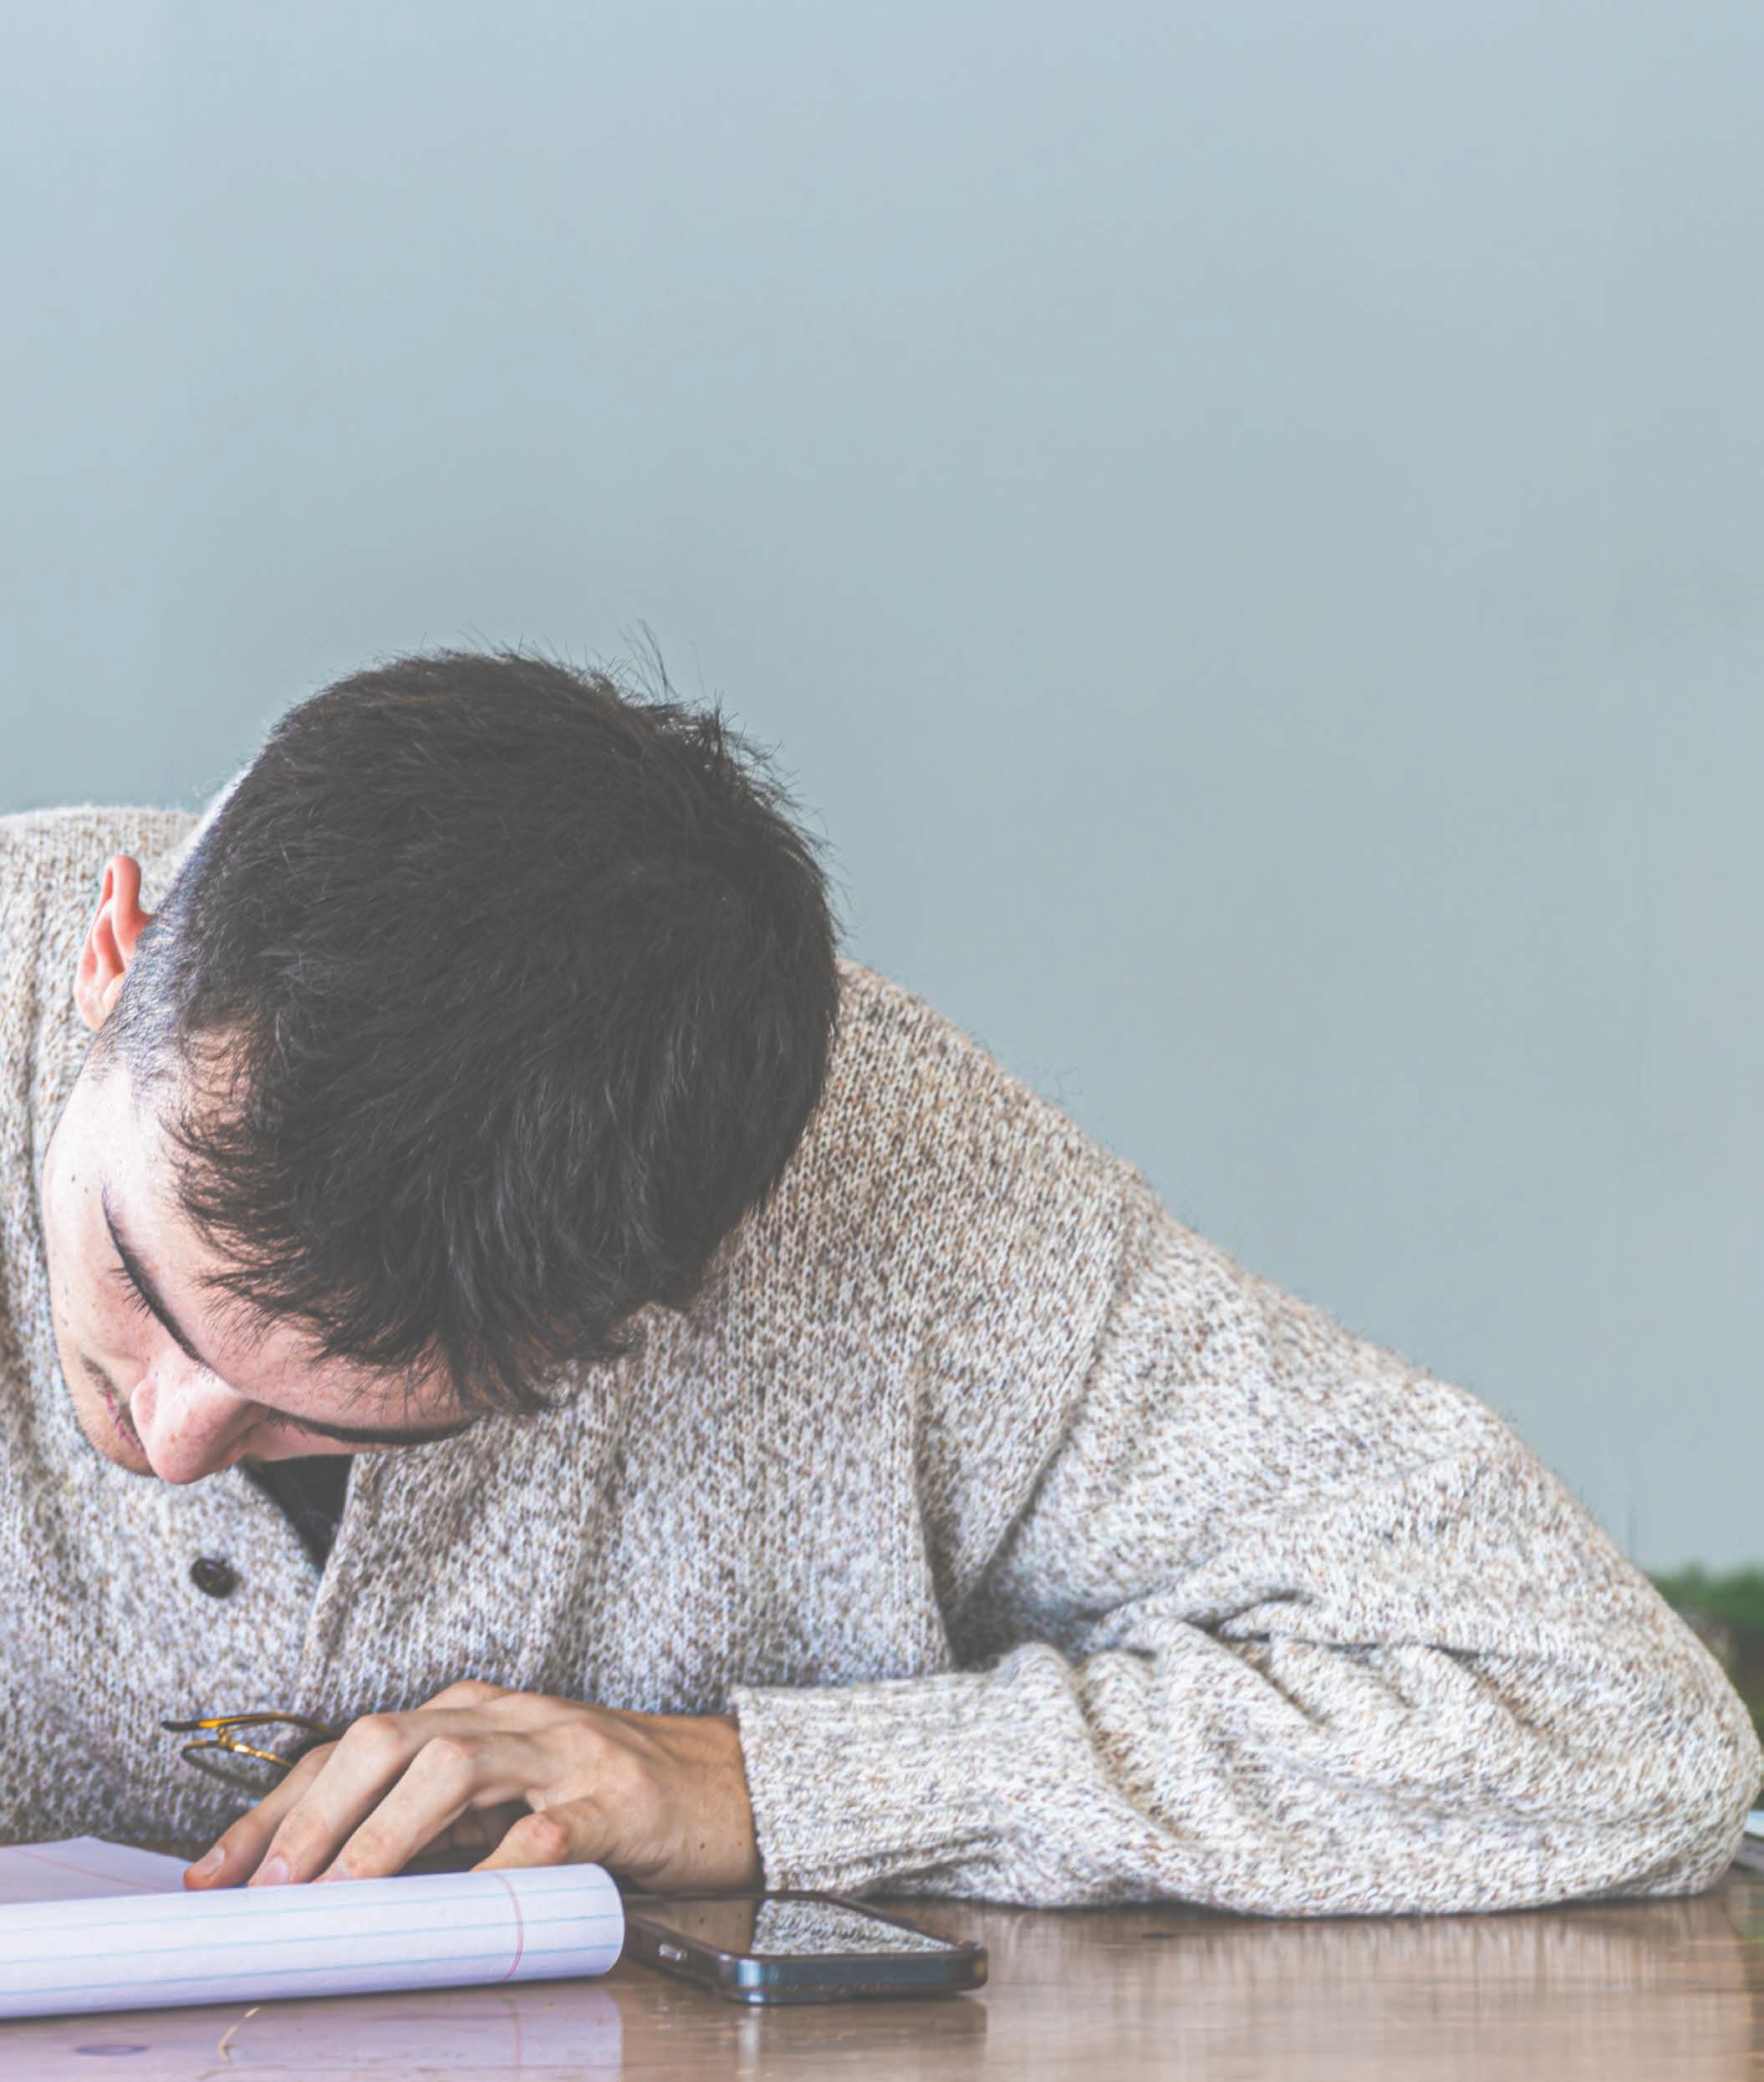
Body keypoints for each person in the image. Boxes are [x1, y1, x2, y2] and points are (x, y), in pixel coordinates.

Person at [2, 649, 1756, 1916]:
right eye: (141, 1276)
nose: (168, 1436)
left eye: (333, 1419)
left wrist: (759, 1786)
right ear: (112, 960)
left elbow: (1609, 1721)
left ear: (651, 1298)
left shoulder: (891, 1184)